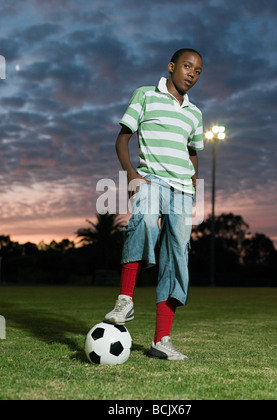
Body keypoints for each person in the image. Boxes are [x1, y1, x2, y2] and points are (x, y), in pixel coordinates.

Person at [104, 48, 204, 360]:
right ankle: (125, 300)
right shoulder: (146, 95)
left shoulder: (196, 113)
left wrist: (192, 182)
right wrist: (132, 175)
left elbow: (193, 152)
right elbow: (123, 138)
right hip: (150, 179)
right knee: (144, 221)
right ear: (172, 67)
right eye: (187, 66)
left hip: (182, 193)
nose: (192, 74)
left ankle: (161, 341)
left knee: (177, 258)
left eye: (198, 71)